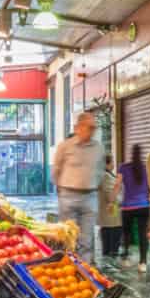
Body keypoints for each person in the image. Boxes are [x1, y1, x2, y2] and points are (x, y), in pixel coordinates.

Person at [50, 111, 106, 259]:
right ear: (78, 128)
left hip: (90, 197)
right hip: (68, 196)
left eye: (94, 127)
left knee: (87, 239)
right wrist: (61, 189)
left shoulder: (98, 148)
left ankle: (85, 270)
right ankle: (68, 265)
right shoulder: (65, 147)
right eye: (89, 127)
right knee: (69, 237)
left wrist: (95, 185)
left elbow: (101, 171)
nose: (92, 130)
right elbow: (56, 169)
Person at [119, 143, 150, 273]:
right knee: (143, 234)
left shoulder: (123, 167)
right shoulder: (145, 168)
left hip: (128, 207)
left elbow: (117, 185)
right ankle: (143, 263)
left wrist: (111, 200)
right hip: (143, 205)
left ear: (131, 154)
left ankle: (126, 257)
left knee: (127, 233)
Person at [99, 159, 123, 256]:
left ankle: (109, 261)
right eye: (112, 162)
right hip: (111, 213)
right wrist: (122, 201)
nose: (114, 164)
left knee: (107, 241)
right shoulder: (106, 176)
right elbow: (111, 196)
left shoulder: (105, 175)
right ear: (107, 164)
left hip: (108, 215)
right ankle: (110, 263)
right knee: (111, 244)